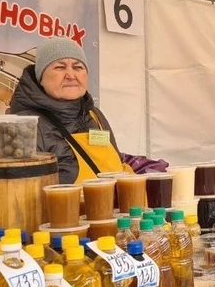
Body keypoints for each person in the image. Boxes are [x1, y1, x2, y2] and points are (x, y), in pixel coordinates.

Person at [9, 37, 127, 183]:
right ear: (41, 78)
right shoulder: (24, 126)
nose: (71, 75)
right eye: (60, 67)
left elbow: (118, 162)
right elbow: (20, 189)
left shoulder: (94, 114)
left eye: (78, 67)